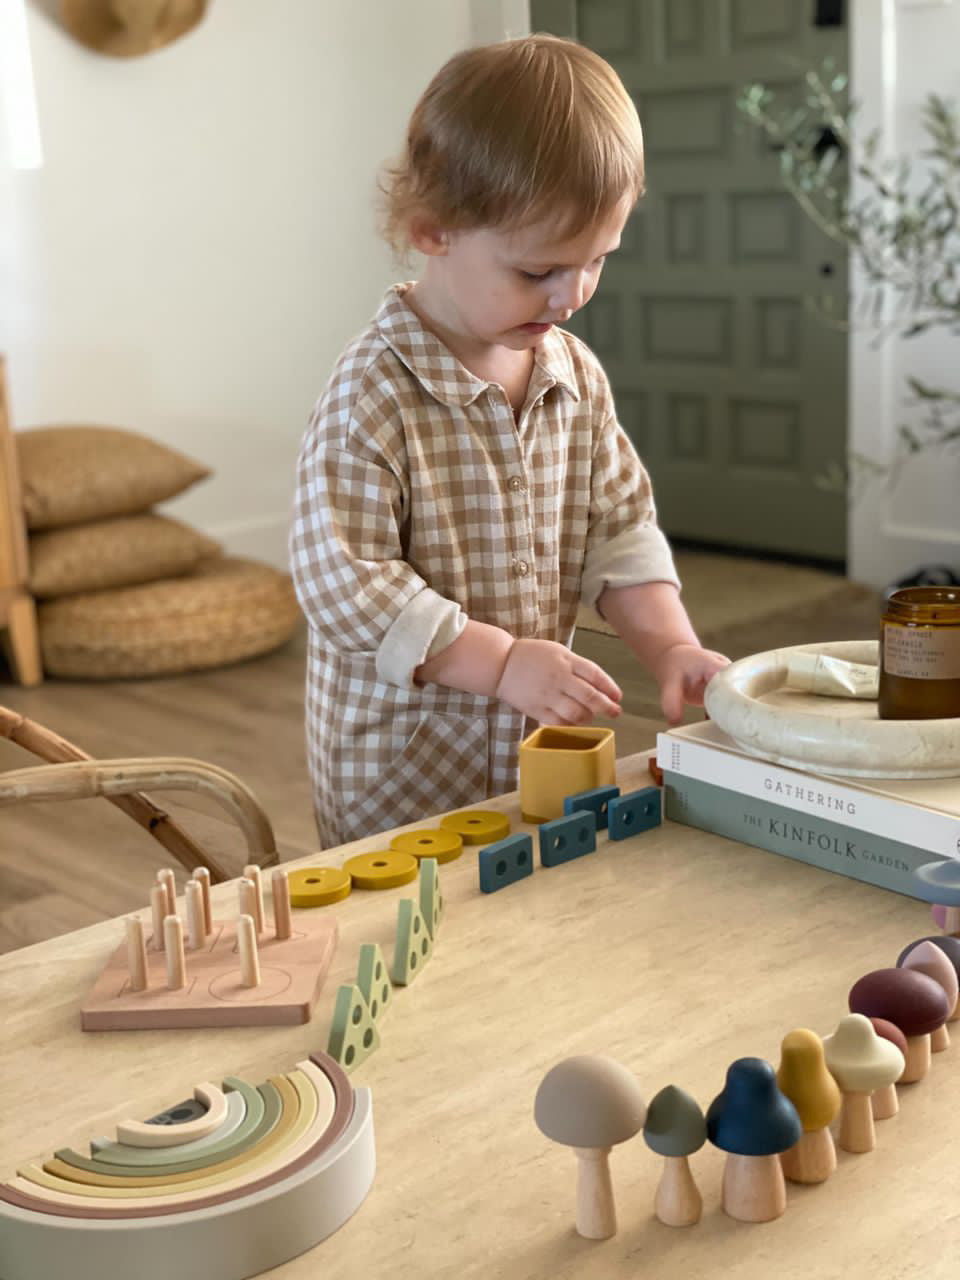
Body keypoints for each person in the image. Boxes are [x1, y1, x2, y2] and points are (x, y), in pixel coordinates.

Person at [290, 33, 728, 848]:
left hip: (532, 754)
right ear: (432, 229)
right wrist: (497, 662)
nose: (572, 295)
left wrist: (671, 646)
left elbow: (620, 532)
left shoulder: (574, 375)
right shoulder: (372, 393)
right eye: (537, 271)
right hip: (404, 777)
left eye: (597, 261)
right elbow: (342, 582)